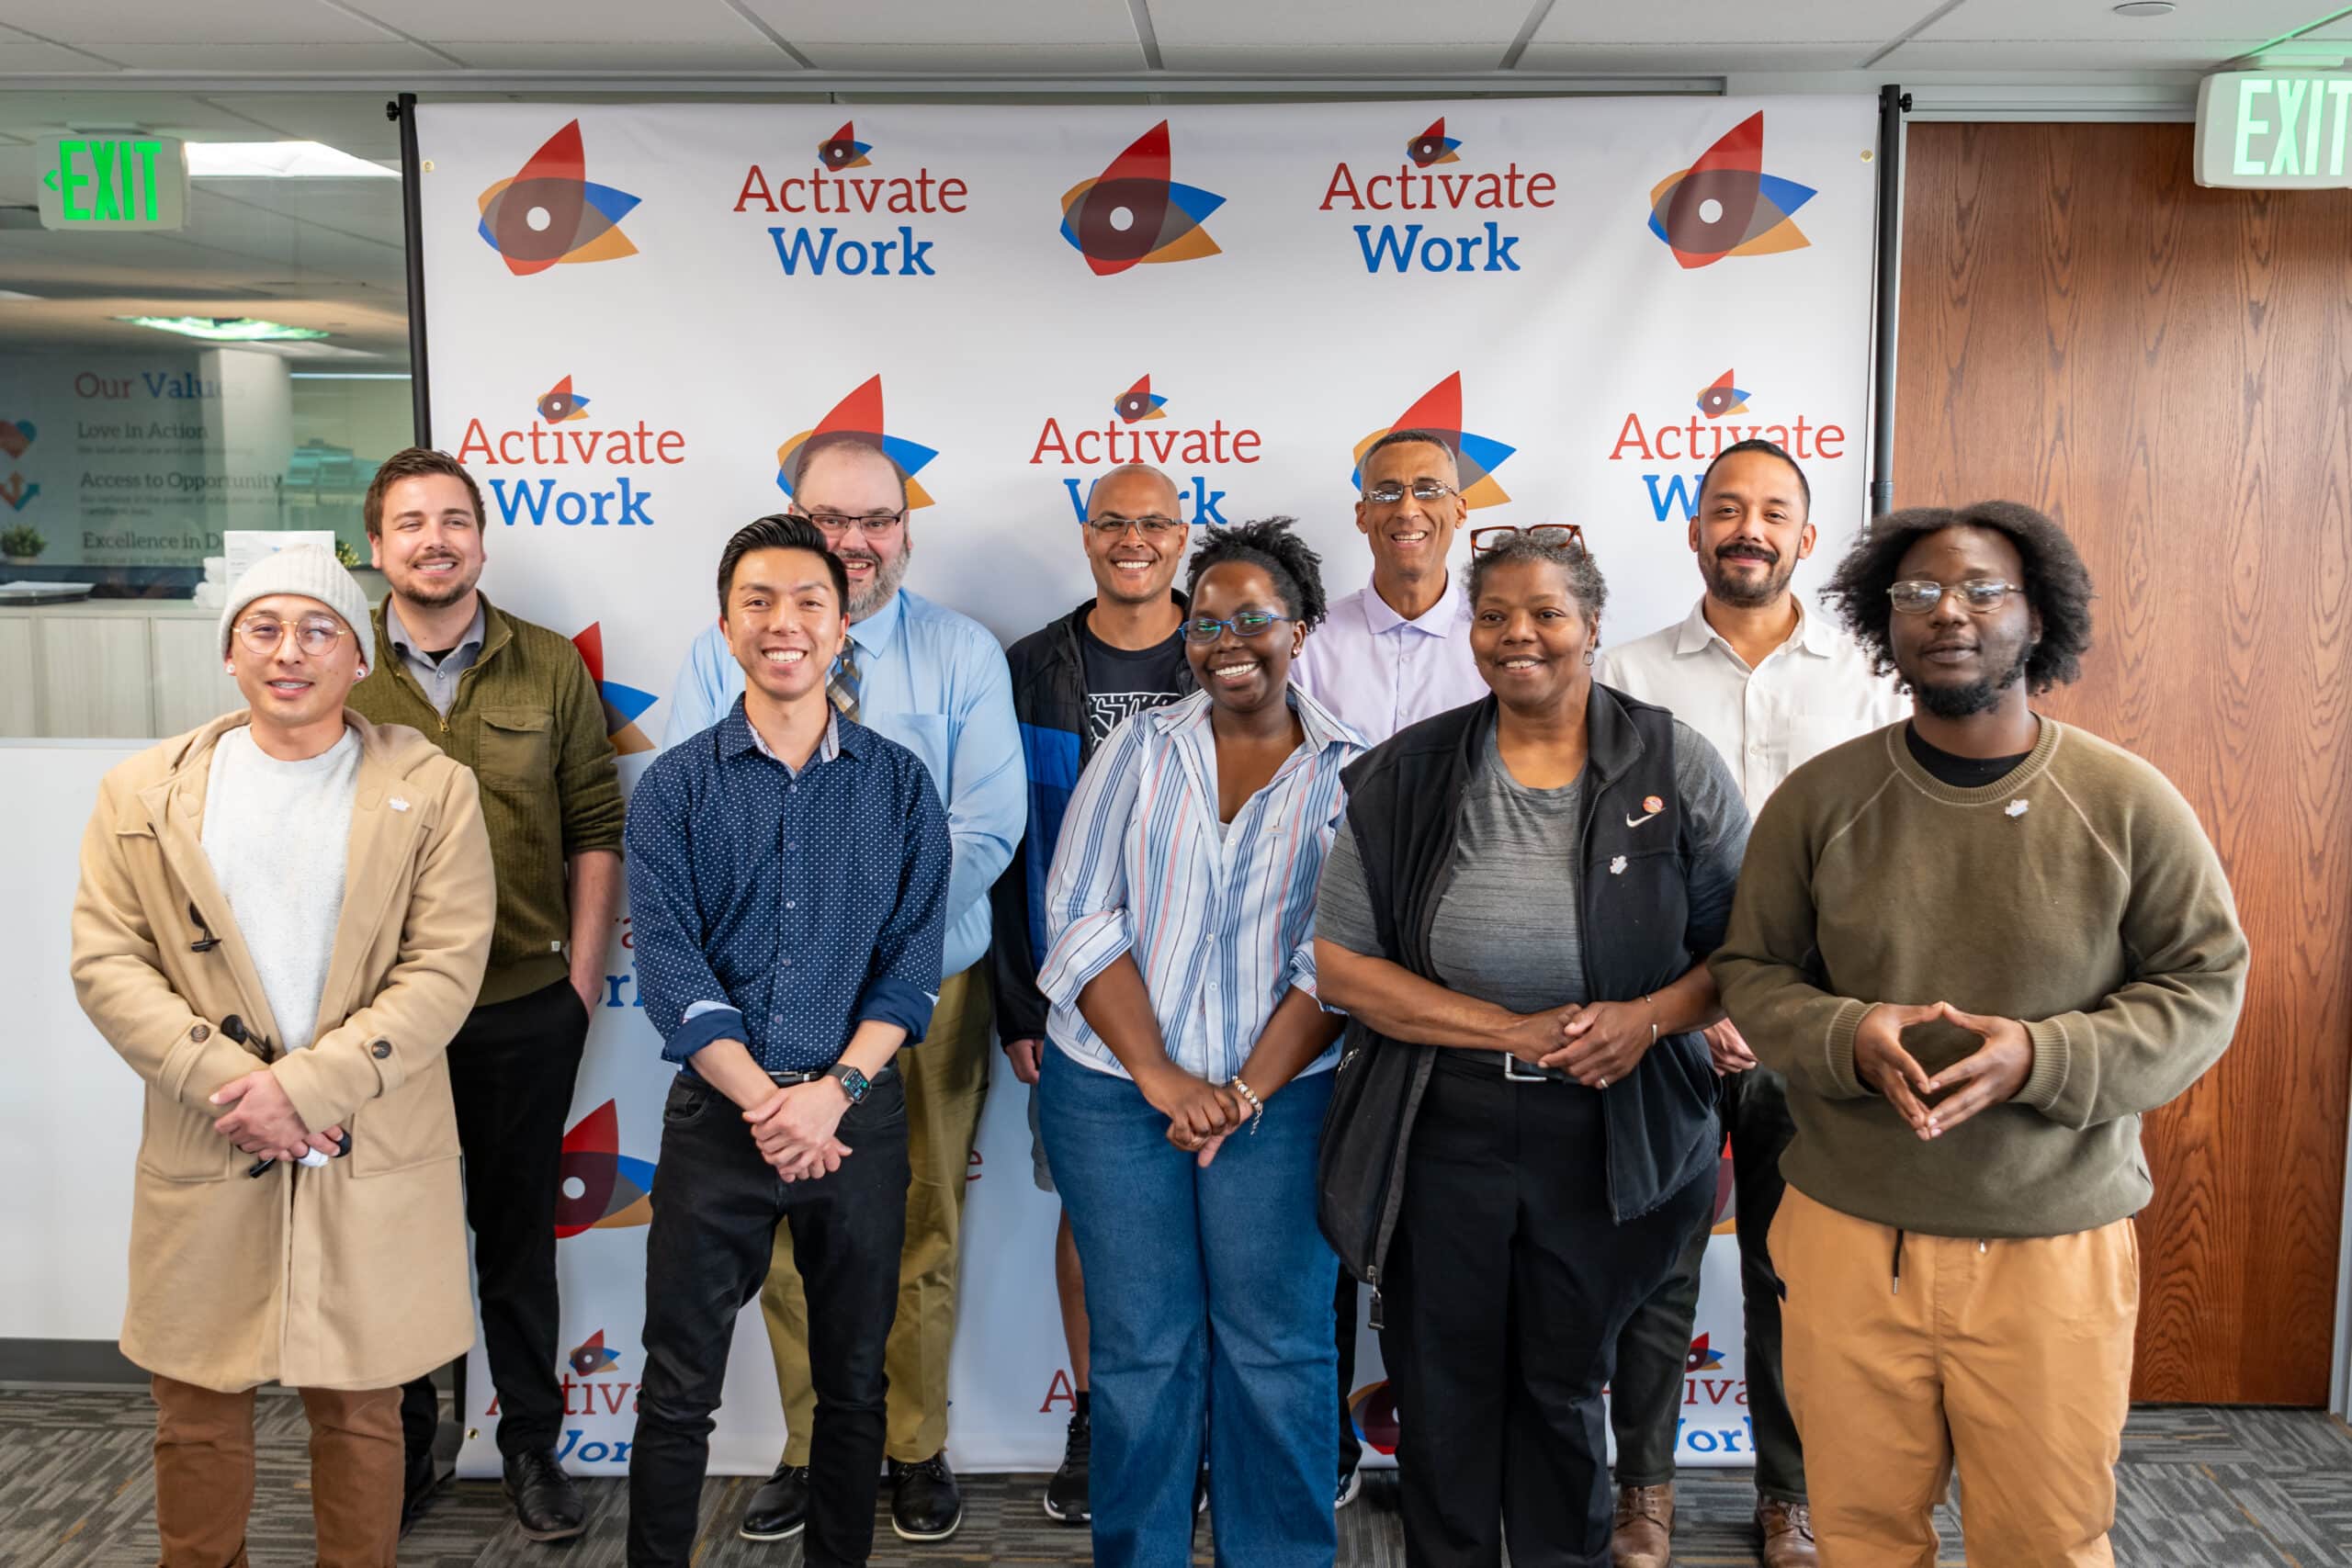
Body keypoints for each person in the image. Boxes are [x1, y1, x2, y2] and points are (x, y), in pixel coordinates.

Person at [1713, 502, 2248, 1567]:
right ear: (1882, 623)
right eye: (1914, 595)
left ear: (2037, 618)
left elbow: (2204, 984)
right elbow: (1750, 973)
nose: (1945, 613)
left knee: (2045, 1542)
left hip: (2052, 1242)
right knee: (1860, 1537)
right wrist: (1848, 1032)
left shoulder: (2125, 801)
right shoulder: (1821, 801)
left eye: (1979, 590)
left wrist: (2043, 1057)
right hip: (1850, 1235)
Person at [1315, 531, 1752, 1568]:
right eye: (1495, 616)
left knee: (1559, 1386)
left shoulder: (1669, 758)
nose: (1519, 636)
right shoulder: (1409, 772)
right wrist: (1506, 1030)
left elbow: (1750, 948)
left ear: (1591, 627)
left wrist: (1645, 1018)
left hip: (1607, 1129)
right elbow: (1343, 970)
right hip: (1443, 1125)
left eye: (1546, 614)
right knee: (1442, 1386)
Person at [70, 544, 494, 1568]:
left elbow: (444, 968)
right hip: (210, 1132)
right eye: (263, 629)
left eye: (319, 630)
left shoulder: (432, 787)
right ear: (229, 653)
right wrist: (238, 1088)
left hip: (368, 1133)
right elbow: (107, 960)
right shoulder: (144, 792)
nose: (289, 652)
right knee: (195, 1407)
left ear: (360, 658)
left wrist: (306, 1088)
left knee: (362, 1409)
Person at [662, 435, 1022, 1542]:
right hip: (757, 1005)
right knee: (779, 1232)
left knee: (916, 1224)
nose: (854, 543)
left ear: (906, 531)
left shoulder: (962, 654)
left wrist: (855, 930)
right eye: (830, 519)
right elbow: (692, 824)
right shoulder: (717, 651)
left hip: (926, 993)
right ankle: (817, 1446)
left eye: (877, 521)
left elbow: (988, 824)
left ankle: (910, 1445)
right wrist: (802, 939)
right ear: (793, 521)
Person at [623, 515, 953, 1568]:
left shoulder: (900, 785)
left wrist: (833, 1092)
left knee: (855, 1384)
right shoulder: (675, 786)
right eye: (758, 602)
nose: (784, 623)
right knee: (678, 1390)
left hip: (854, 1121)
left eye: (808, 601)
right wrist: (770, 1104)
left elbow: (909, 969)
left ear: (842, 621)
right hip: (722, 1125)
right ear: (725, 627)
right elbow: (672, 976)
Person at [1595, 438, 1901, 1568]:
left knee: (1798, 1276)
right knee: (1653, 1267)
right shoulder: (1625, 676)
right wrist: (1702, 999)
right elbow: (1606, 869)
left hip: (1814, 1034)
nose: (1748, 527)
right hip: (1669, 1024)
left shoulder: (1868, 683)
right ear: (1692, 526)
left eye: (1773, 510)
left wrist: (1782, 1009)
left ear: (1805, 537)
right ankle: (1643, 1496)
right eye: (1727, 507)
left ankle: (1790, 1498)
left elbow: (1879, 872)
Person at [1036, 518, 1361, 1568]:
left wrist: (1245, 1093)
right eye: (1207, 620)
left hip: (1286, 1099)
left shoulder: (1352, 773)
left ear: (1299, 631)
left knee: (1279, 1352)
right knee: (1141, 1352)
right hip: (1113, 1095)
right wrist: (1165, 1079)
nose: (1228, 638)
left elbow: (1340, 959)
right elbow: (1082, 916)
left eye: (1254, 617)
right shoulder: (1136, 750)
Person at [345, 447, 623, 1542]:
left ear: (481, 539)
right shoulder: (337, 669)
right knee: (394, 1238)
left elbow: (596, 829)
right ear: (377, 548)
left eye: (454, 519)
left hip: (522, 1006)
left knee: (513, 1243)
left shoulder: (547, 666)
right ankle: (409, 1449)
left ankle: (528, 1450)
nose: (434, 539)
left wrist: (582, 986)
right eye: (410, 523)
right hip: (377, 1025)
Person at [987, 462, 1195, 1525]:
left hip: (1218, 995)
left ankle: (1196, 1429)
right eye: (1111, 520)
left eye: (1153, 521)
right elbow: (1008, 847)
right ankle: (1097, 1420)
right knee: (1095, 1217)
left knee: (1220, 1221)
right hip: (1073, 1006)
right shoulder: (1031, 668)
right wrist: (1020, 1006)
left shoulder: (1228, 648)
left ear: (1182, 533)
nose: (1132, 538)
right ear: (1086, 534)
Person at [1289, 424, 1487, 1501]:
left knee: (1438, 1236)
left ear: (1459, 512)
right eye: (1386, 491)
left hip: (1466, 979)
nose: (1408, 507)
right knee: (1324, 1217)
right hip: (1332, 973)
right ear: (1359, 513)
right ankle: (1316, 1450)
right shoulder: (1311, 647)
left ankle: (1440, 1457)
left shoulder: (1500, 635)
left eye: (1429, 491)